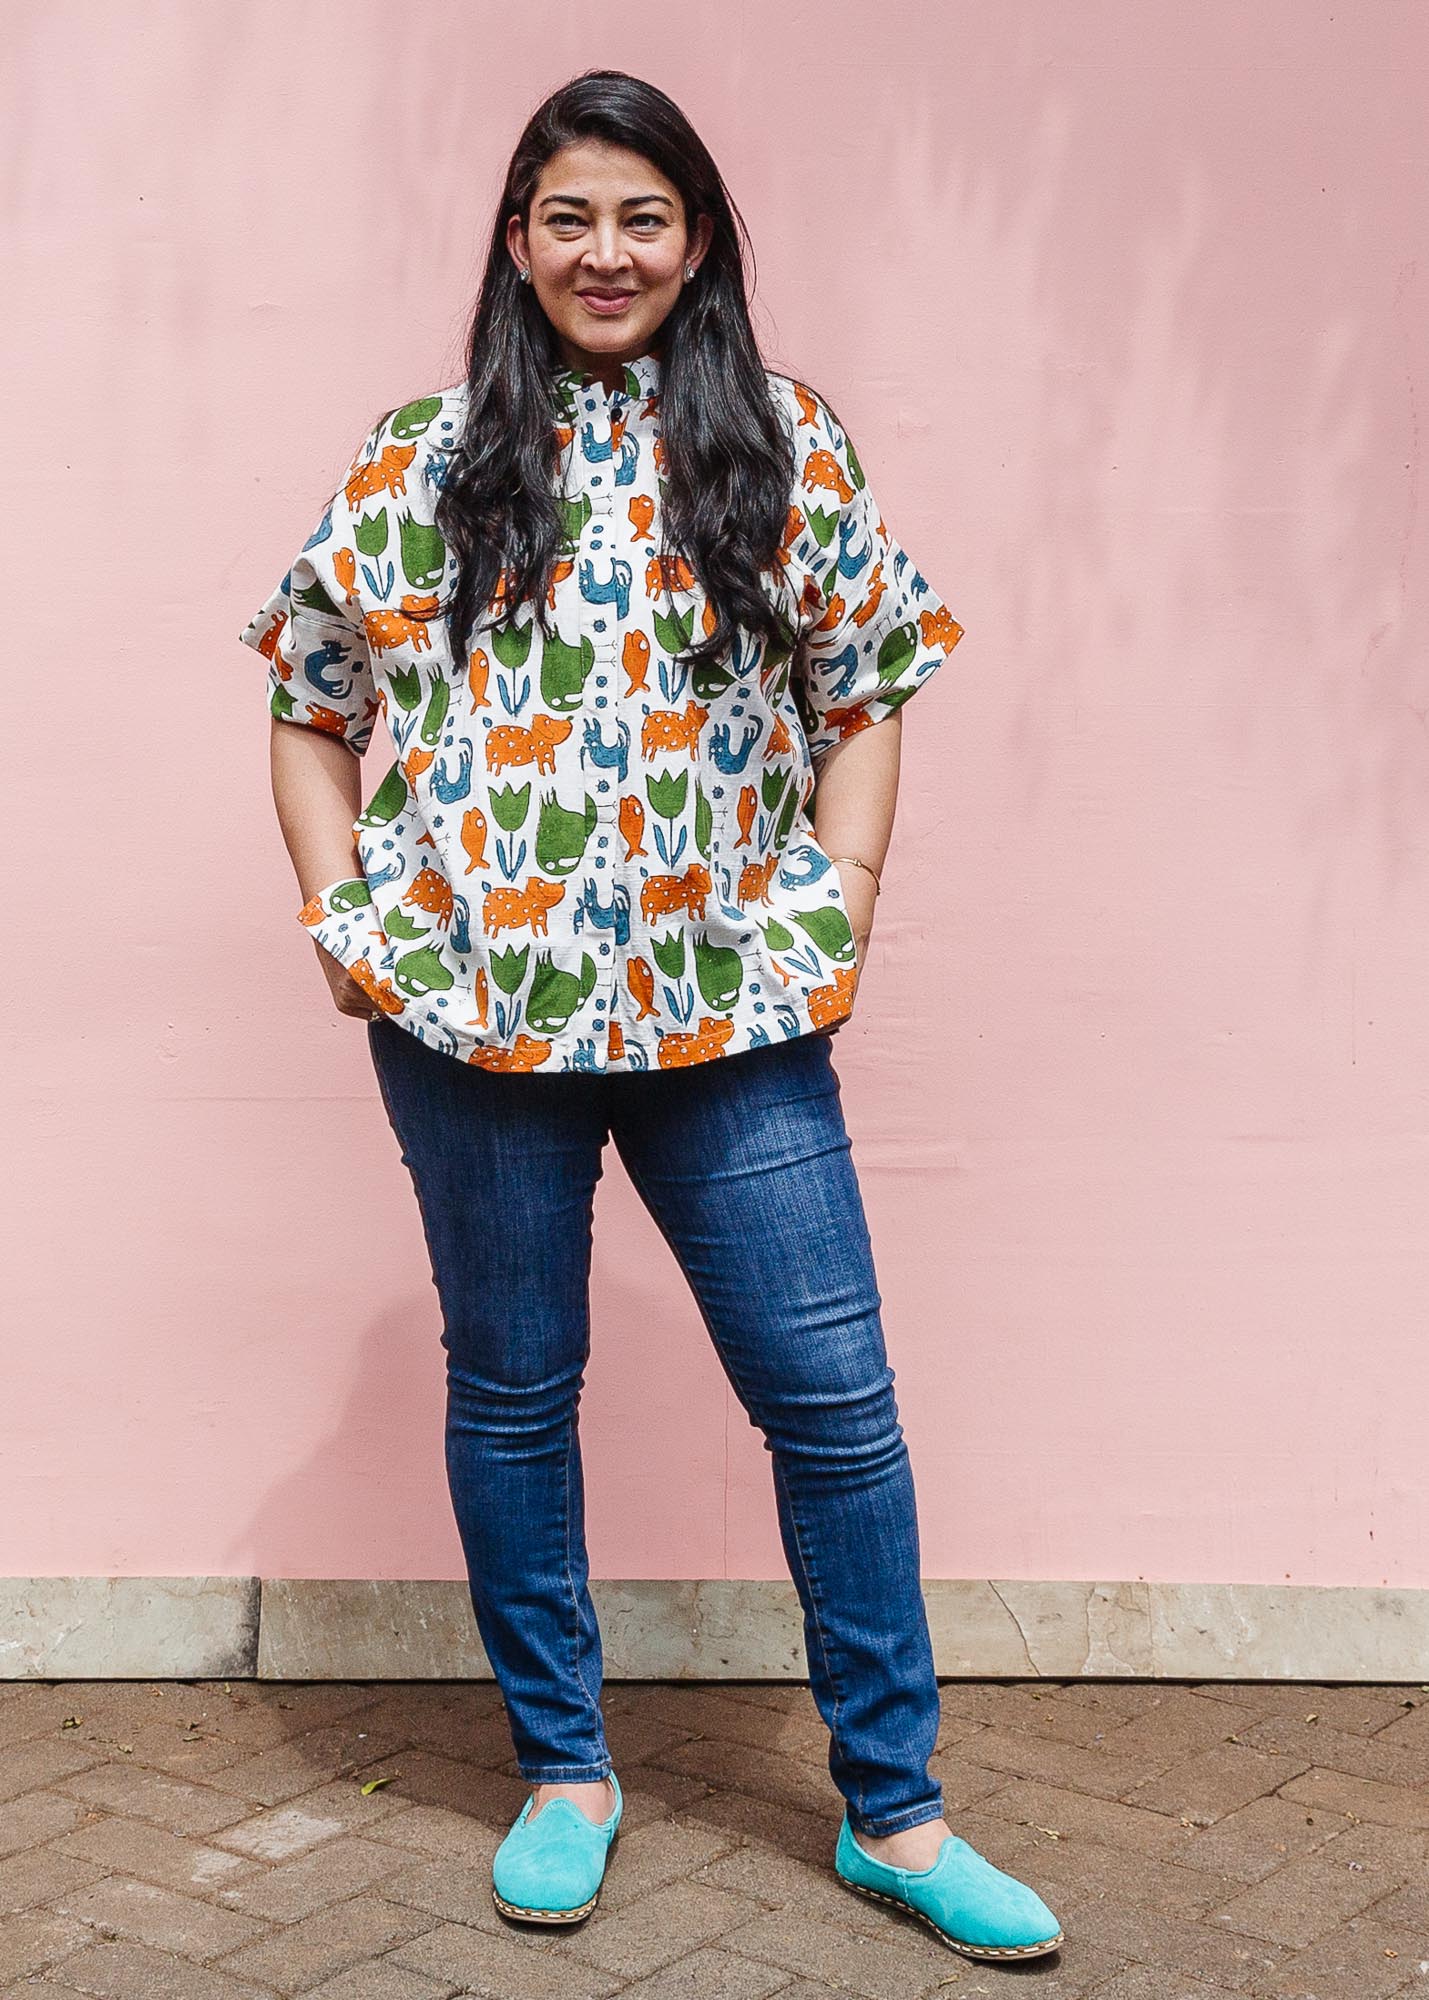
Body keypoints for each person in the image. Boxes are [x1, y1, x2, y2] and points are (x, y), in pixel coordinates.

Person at [239, 68, 1064, 1964]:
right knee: (516, 1395)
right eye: (566, 217)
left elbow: (869, 690)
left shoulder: (783, 446)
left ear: (696, 243)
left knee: (833, 1406)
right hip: (472, 1022)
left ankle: (896, 1812)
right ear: (515, 241)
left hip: (734, 1008)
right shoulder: (418, 457)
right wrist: (341, 905)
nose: (603, 253)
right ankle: (563, 1771)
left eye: (641, 217)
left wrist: (836, 912)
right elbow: (308, 697)